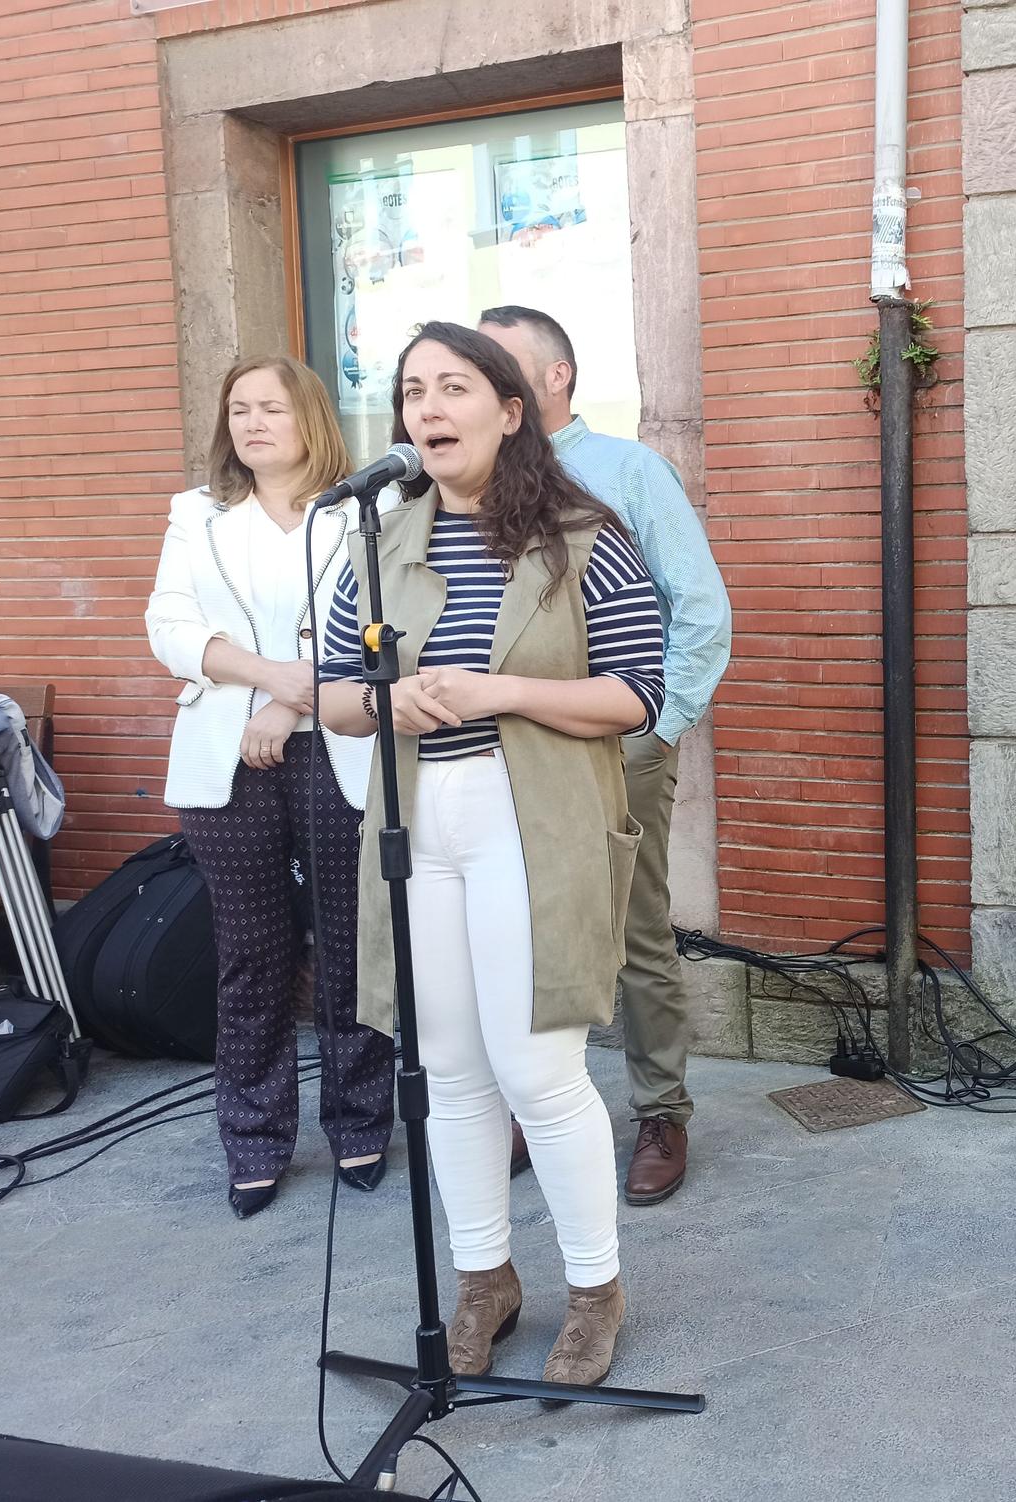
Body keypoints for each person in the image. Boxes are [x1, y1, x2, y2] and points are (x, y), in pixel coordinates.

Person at [318, 321, 665, 1387]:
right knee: (451, 1068)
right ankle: (484, 1278)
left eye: (453, 386)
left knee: (536, 1065)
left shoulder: (579, 532)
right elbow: (331, 691)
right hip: (422, 817)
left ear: (509, 409)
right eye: (413, 390)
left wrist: (501, 691)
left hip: (538, 816)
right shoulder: (380, 541)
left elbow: (636, 693)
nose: (428, 407)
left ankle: (596, 1288)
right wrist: (388, 703)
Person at [478, 304, 731, 1206]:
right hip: (497, 750)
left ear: (556, 378)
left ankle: (661, 1110)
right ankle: (533, 1102)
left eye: (496, 363)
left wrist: (660, 726)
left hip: (618, 739)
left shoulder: (628, 472)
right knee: (516, 924)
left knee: (635, 931)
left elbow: (699, 608)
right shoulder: (464, 484)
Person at [144, 355, 396, 1220]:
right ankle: (253, 1138)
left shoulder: (372, 509)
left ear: (311, 419)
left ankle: (361, 1122)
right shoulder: (198, 516)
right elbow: (171, 629)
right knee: (251, 957)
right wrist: (273, 684)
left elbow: (383, 632)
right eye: (239, 409)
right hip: (226, 762)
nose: (253, 423)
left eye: (273, 408)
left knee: (347, 948)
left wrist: (285, 713)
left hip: (342, 750)